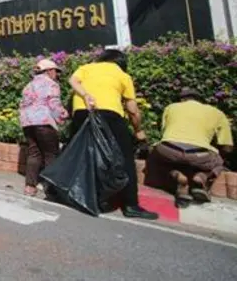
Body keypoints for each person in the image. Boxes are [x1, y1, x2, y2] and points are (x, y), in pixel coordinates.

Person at [69, 49, 158, 220]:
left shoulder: (86, 67)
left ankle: (92, 198)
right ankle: (131, 205)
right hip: (109, 114)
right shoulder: (123, 75)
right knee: (123, 158)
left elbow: (72, 80)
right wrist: (139, 130)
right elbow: (132, 109)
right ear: (121, 63)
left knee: (86, 155)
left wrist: (86, 95)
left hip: (81, 114)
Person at [151, 88, 233, 205]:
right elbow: (227, 147)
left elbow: (164, 133)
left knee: (157, 157)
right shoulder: (217, 113)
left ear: (182, 100)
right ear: (200, 100)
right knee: (218, 161)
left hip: (169, 148)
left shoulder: (171, 107)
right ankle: (201, 178)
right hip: (199, 154)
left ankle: (178, 176)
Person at [19, 58, 68, 197]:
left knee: (34, 153)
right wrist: (62, 116)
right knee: (50, 154)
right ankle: (51, 190)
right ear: (49, 71)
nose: (57, 74)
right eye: (56, 71)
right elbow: (54, 104)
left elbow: (22, 105)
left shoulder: (28, 85)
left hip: (28, 123)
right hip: (45, 123)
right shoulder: (52, 84)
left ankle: (30, 187)